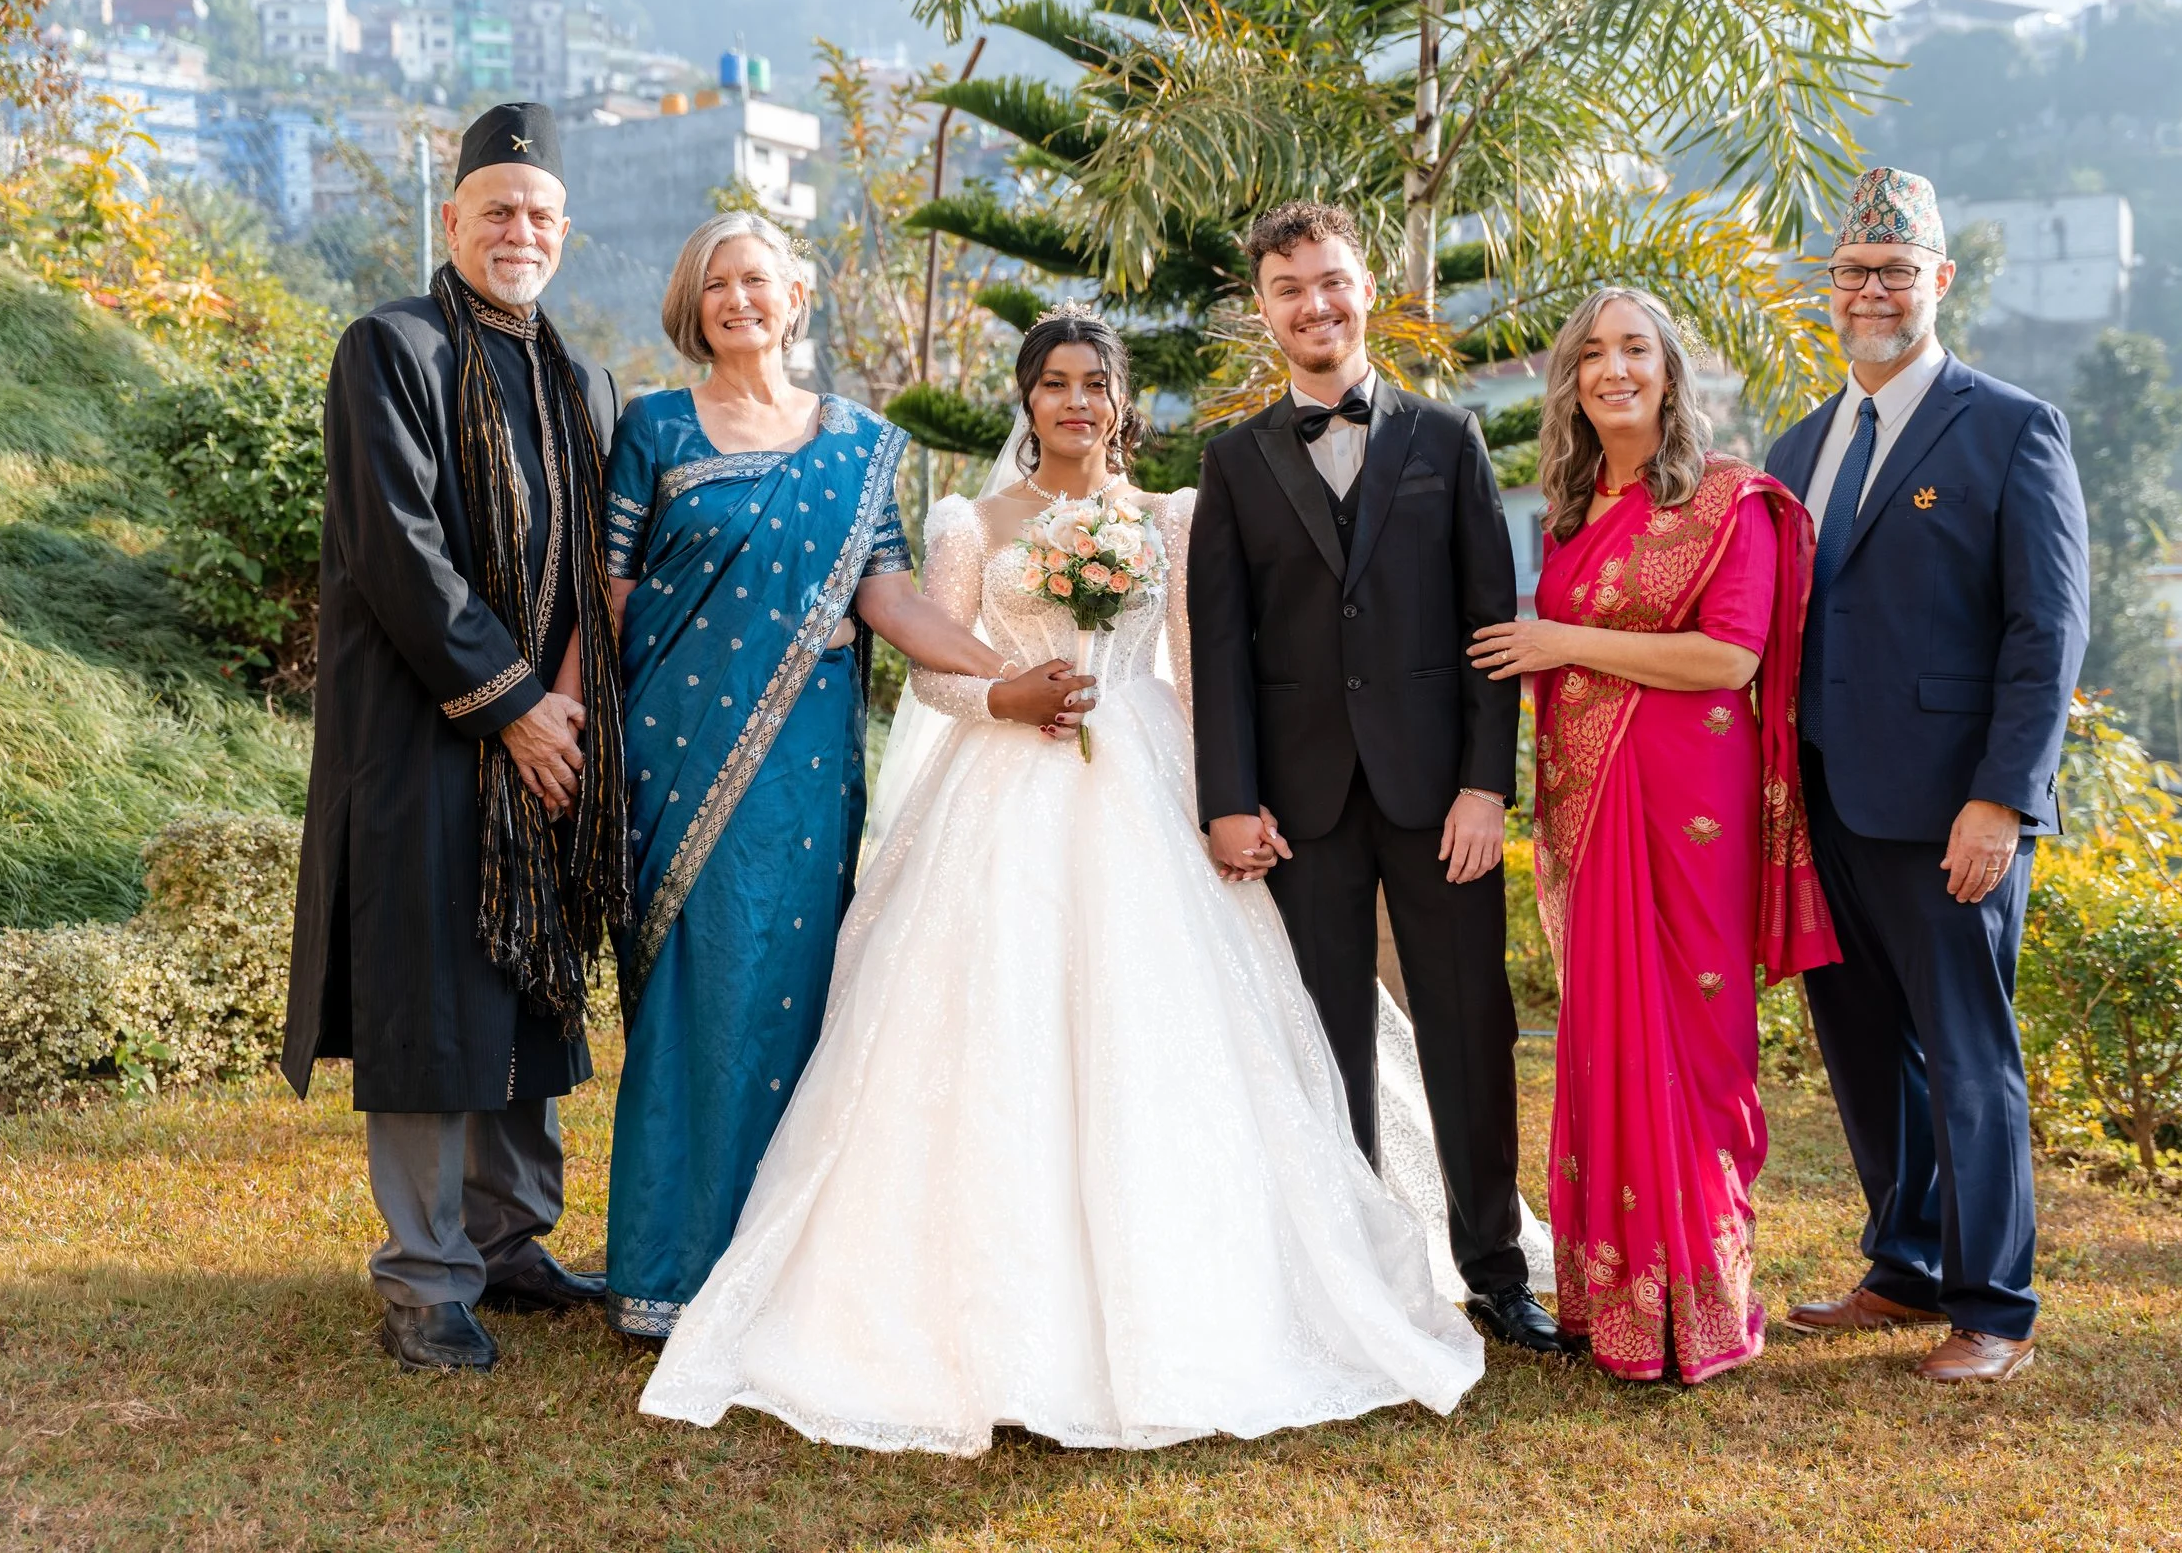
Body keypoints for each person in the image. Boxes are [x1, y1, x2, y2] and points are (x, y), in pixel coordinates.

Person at [635, 306, 1484, 1452]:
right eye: (1054, 382)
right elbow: (930, 670)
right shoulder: (969, 521)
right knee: (991, 1020)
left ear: (1120, 402)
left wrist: (1220, 800)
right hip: (1001, 784)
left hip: (1139, 771)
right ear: (1026, 401)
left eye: (1095, 382)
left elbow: (1197, 665)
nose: (1076, 401)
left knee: (1165, 1025)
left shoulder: (1170, 516)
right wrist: (1004, 694)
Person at [598, 212, 1050, 1342]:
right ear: (691, 305)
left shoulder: (856, 444)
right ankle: (666, 1266)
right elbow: (609, 601)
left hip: (803, 765)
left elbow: (887, 599)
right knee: (693, 986)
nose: (738, 300)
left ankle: (782, 1259)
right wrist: (582, 731)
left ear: (795, 297)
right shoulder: (654, 427)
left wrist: (1002, 676)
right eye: (715, 285)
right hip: (673, 750)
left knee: (794, 982)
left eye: (757, 280)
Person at [283, 103, 628, 1372]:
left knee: (530, 983)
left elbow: (597, 570)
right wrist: (516, 707)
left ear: (564, 232)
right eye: (496, 210)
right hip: (423, 734)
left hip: (549, 735)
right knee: (430, 1001)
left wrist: (567, 710)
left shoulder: (585, 382)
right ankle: (425, 1278)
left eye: (539, 214)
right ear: (452, 219)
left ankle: (508, 1237)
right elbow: (399, 552)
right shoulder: (391, 348)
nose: (518, 231)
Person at [1188, 201, 1565, 1354]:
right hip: (1299, 803)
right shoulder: (1232, 461)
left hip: (1439, 796)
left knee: (1469, 1026)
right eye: (1289, 288)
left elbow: (1489, 626)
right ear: (1263, 310)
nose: (1315, 304)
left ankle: (1494, 1267)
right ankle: (1349, 1274)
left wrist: (1484, 786)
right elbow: (1220, 646)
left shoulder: (1447, 439)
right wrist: (1227, 799)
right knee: (1323, 1036)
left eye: (1331, 281)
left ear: (1366, 289)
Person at [1468, 288, 1839, 1382]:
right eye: (1591, 353)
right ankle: (1613, 1304)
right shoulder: (1571, 512)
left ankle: (1699, 1307)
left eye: (1635, 348)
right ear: (1571, 381)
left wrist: (1561, 640)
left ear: (1670, 369)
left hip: (1690, 809)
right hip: (1591, 809)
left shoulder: (1731, 500)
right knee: (1605, 1034)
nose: (1613, 369)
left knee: (1692, 1036)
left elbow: (1729, 658)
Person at [1763, 167, 2089, 1385]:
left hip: (1955, 805)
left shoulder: (2012, 426)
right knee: (1861, 1046)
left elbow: (2047, 629)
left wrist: (2003, 797)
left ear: (1938, 279)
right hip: (1823, 799)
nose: (1871, 291)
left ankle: (1994, 1305)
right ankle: (1902, 1264)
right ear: (1828, 285)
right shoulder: (1797, 445)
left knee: (1966, 1054)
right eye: (1852, 271)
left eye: (1895, 271)